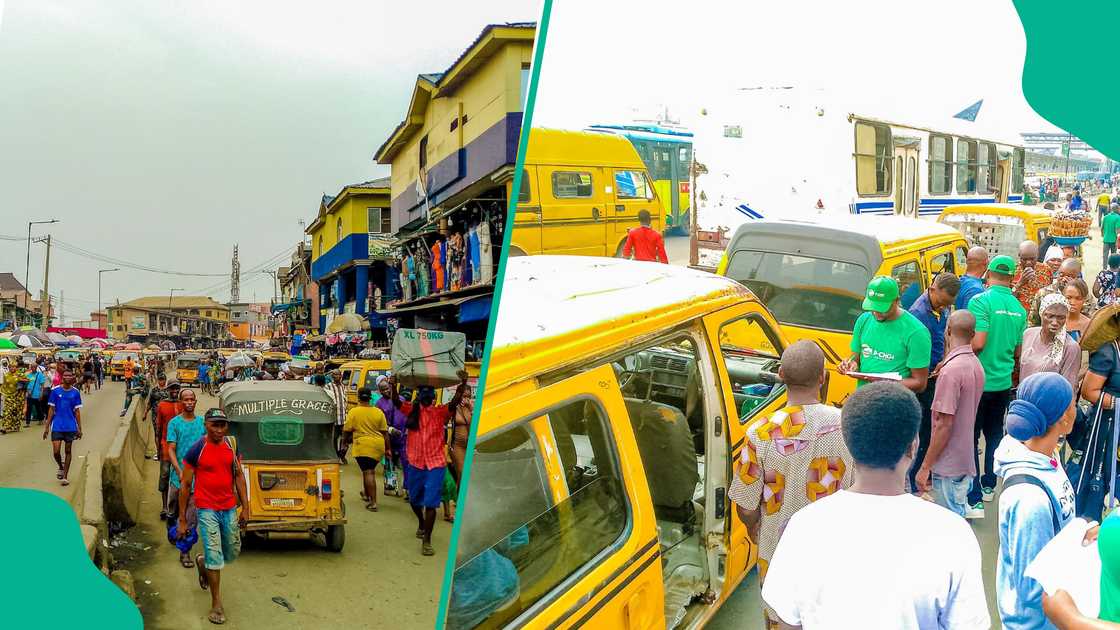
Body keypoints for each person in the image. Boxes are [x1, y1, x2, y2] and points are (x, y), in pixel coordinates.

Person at [760, 382, 990, 628]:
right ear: (913, 446)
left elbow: (787, 622)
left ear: (848, 445)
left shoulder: (804, 525)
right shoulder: (952, 533)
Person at [728, 341, 853, 628]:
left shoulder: (760, 433)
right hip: (834, 553)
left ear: (781, 374)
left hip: (778, 555)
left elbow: (745, 506)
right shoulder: (847, 426)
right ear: (823, 377)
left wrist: (755, 529)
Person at [994, 372, 1078, 629]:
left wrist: (1078, 533)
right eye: (1073, 402)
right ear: (1063, 419)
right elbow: (1031, 590)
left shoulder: (1046, 454)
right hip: (1036, 623)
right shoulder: (1030, 499)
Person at [967, 254, 1028, 517]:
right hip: (1002, 382)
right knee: (994, 434)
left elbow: (978, 343)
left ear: (988, 274)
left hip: (978, 382)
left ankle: (974, 496)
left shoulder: (979, 301)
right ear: (1012, 277)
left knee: (970, 436)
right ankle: (990, 485)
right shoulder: (1019, 309)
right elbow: (1017, 351)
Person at [176, 408, 248, 627]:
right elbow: (186, 485)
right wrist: (182, 519)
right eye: (214, 425)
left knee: (232, 552)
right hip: (206, 508)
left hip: (228, 508)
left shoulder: (230, 446)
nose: (219, 429)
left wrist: (246, 507)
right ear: (206, 425)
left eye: (222, 425)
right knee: (215, 556)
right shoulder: (196, 449)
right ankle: (217, 603)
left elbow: (238, 476)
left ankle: (202, 562)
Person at [915, 310, 985, 516]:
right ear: (973, 335)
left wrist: (925, 467)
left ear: (947, 331)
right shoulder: (975, 365)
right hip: (963, 461)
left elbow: (944, 425)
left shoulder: (951, 371)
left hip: (948, 465)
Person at [906, 272, 959, 491]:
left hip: (937, 373)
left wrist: (945, 357)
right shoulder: (918, 314)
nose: (945, 307)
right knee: (923, 431)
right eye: (942, 302)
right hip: (922, 380)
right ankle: (913, 480)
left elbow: (944, 336)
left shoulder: (941, 307)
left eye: (948, 304)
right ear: (933, 288)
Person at [407, 371, 468, 556]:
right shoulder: (411, 411)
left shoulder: (441, 412)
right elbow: (395, 401)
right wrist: (393, 385)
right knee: (414, 500)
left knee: (432, 504)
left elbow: (455, 400)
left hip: (435, 464)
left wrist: (463, 381)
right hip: (415, 463)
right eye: (424, 394)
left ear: (433, 397)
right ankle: (421, 521)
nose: (428, 397)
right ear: (421, 396)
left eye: (430, 394)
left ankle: (427, 539)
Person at [837, 276, 931, 393]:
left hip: (893, 403)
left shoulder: (916, 333)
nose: (876, 313)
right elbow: (856, 357)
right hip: (863, 398)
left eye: (882, 308)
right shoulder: (864, 320)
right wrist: (851, 364)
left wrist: (883, 382)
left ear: (896, 301)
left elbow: (920, 383)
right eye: (872, 307)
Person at [164, 388, 205, 569]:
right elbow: (171, 448)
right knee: (173, 511)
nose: (189, 402)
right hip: (177, 477)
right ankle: (171, 526)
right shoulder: (174, 424)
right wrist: (179, 470)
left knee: (190, 517)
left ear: (195, 402)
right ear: (181, 402)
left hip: (197, 480)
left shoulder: (203, 423)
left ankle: (185, 552)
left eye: (192, 399)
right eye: (186, 399)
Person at [1020, 293, 1082, 391]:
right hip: (1023, 398)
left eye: (1061, 317)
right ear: (1041, 314)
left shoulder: (1070, 347)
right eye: (1050, 316)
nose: (1054, 322)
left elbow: (1069, 387)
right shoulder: (1029, 334)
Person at [342, 387, 391, 512]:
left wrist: (344, 444)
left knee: (368, 472)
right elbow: (385, 433)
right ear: (370, 398)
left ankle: (373, 502)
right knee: (367, 471)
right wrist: (388, 449)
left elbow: (346, 430)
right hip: (378, 446)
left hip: (362, 445)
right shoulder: (378, 412)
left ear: (358, 397)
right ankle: (366, 494)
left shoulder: (354, 412)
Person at [43, 369, 82, 486]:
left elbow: (77, 411)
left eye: (70, 375)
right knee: (56, 452)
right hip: (57, 425)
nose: (68, 377)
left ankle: (65, 476)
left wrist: (79, 428)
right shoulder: (55, 391)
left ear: (72, 377)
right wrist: (46, 427)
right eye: (65, 375)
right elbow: (51, 409)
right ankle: (61, 466)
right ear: (62, 377)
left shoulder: (76, 392)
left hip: (70, 425)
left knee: (68, 450)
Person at [375, 376, 408, 496]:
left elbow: (407, 415)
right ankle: (389, 486)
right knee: (389, 464)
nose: (386, 391)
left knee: (403, 464)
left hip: (403, 437)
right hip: (388, 438)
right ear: (379, 390)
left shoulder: (401, 399)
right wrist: (390, 430)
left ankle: (404, 489)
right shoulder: (378, 404)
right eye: (382, 390)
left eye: (387, 388)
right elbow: (379, 424)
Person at [156, 382, 184, 520]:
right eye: (172, 388)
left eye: (177, 388)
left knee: (181, 475)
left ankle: (178, 505)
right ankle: (164, 506)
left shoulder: (183, 403)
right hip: (166, 446)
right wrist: (158, 449)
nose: (175, 391)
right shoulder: (162, 405)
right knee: (165, 474)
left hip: (181, 446)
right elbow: (159, 428)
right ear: (168, 390)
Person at [1030, 257, 1084, 327]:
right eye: (1061, 275)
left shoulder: (1082, 295)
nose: (1064, 279)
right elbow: (1033, 321)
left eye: (1070, 277)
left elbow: (1088, 318)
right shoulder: (1044, 293)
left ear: (1078, 277)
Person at [1013, 240, 1053, 315]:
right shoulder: (1012, 271)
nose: (1028, 262)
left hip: (1040, 317)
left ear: (1037, 255)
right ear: (1019, 255)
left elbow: (1050, 295)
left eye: (1032, 259)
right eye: (1024, 259)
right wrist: (1020, 283)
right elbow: (1008, 297)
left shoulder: (1046, 270)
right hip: (1018, 316)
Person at [957, 246, 989, 311]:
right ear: (985, 263)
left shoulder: (960, 281)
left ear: (966, 261)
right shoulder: (976, 290)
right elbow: (968, 319)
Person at [1, 360, 28, 434]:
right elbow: (4, 385)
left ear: (16, 368)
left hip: (18, 396)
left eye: (14, 367)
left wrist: (21, 380)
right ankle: (6, 427)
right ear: (9, 367)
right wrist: (2, 394)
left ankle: (16, 426)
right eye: (11, 367)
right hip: (9, 396)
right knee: (7, 411)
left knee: (16, 412)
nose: (13, 368)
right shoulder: (6, 375)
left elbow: (27, 381)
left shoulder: (20, 374)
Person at [24, 361, 47, 428]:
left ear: (36, 367)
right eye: (32, 367)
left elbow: (42, 386)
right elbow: (26, 384)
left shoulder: (40, 375)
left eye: (34, 367)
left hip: (37, 395)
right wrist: (27, 391)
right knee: (29, 409)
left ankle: (41, 419)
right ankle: (27, 423)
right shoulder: (28, 375)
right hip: (29, 395)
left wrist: (41, 394)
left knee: (38, 408)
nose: (33, 368)